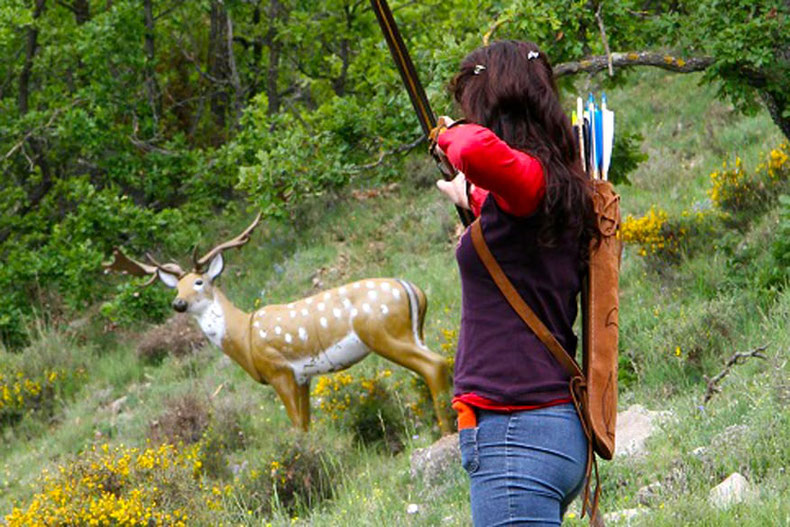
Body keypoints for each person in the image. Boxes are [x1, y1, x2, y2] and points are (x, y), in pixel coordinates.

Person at [432, 40, 600, 526]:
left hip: (516, 435)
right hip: (549, 429)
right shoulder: (562, 185)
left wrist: (448, 133)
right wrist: (468, 193)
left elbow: (470, 148)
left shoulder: (529, 181)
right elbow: (513, 214)